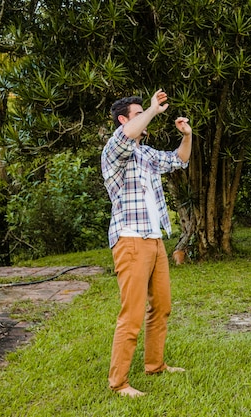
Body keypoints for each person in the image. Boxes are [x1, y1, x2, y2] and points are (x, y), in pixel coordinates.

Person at [101, 89, 192, 397]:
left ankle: (155, 364)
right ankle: (119, 383)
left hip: (154, 241)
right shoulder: (114, 150)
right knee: (132, 313)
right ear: (124, 119)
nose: (145, 117)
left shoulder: (145, 154)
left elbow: (179, 160)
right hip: (130, 240)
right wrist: (151, 110)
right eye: (138, 113)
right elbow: (126, 137)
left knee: (162, 306)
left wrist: (187, 135)